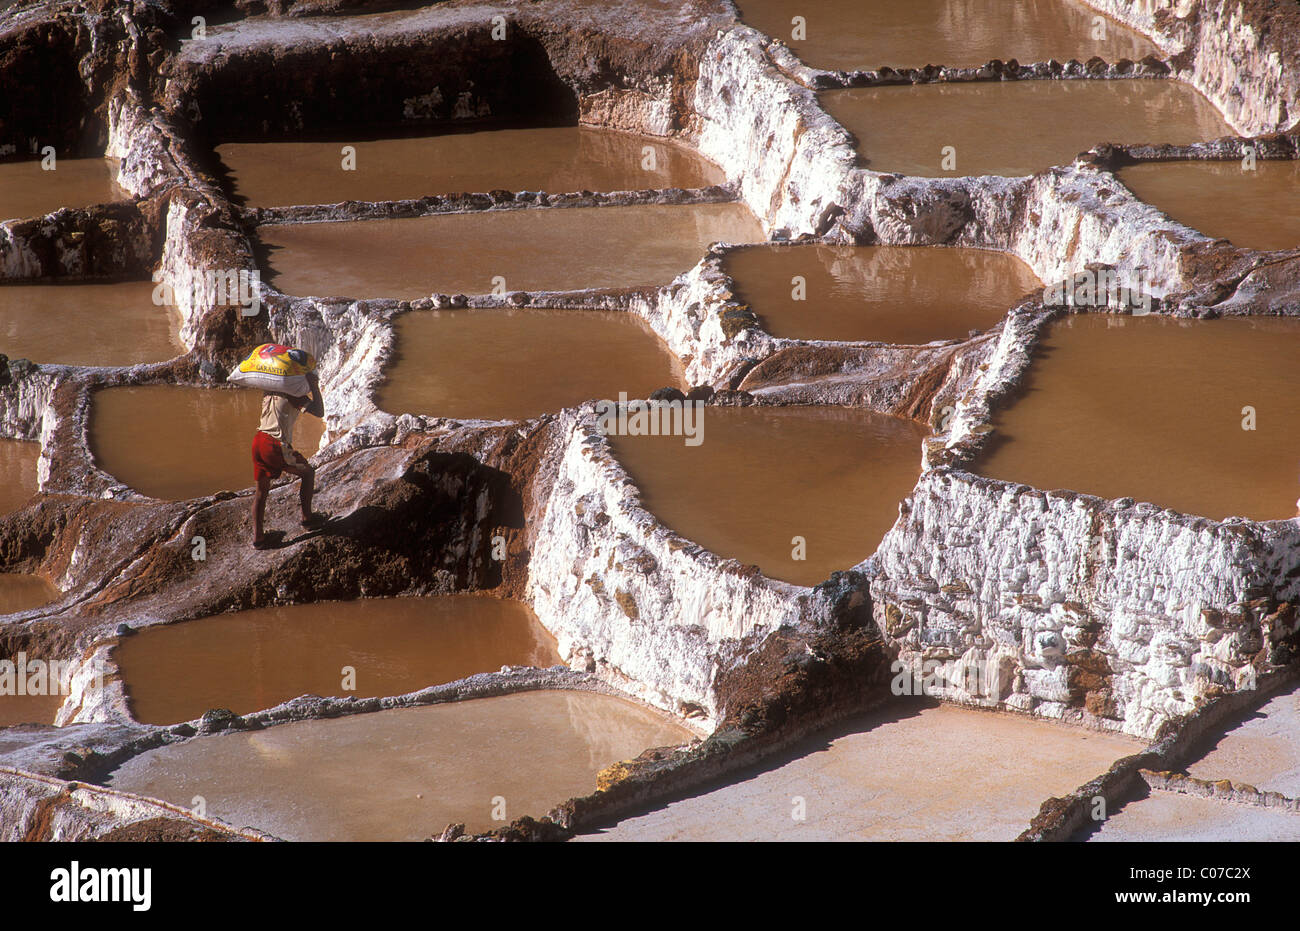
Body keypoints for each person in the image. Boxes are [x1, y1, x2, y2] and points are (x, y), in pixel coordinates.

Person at [251, 368, 327, 549]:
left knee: (261, 491)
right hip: (274, 444)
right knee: (308, 473)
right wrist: (314, 386)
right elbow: (319, 411)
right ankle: (308, 519)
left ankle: (258, 538)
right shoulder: (294, 395)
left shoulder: (268, 391)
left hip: (258, 442)